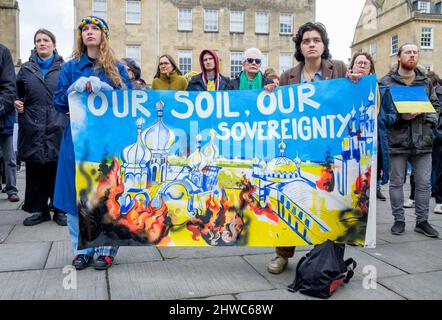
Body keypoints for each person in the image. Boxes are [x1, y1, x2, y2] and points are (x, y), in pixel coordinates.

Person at [267, 22, 348, 275]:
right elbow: (277, 113)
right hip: (298, 147)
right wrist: (270, 93)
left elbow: (352, 102)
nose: (311, 44)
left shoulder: (340, 69)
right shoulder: (288, 76)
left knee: (330, 200)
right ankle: (283, 254)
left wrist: (356, 83)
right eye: (306, 41)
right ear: (300, 47)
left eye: (316, 40)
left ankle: (324, 257)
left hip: (329, 149)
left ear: (324, 45)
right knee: (288, 197)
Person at [53, 16, 132, 270]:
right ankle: (82, 249)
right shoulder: (70, 67)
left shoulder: (116, 68)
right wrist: (72, 90)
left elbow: (130, 101)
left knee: (106, 194)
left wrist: (110, 91)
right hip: (76, 140)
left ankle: (106, 248)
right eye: (85, 29)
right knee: (76, 196)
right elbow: (57, 102)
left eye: (94, 29)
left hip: (107, 141)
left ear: (103, 35)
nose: (89, 33)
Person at [380, 43, 440, 238]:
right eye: (408, 52)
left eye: (415, 52)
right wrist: (400, 117)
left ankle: (422, 221)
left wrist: (429, 123)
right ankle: (399, 220)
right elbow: (381, 111)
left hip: (422, 140)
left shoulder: (425, 81)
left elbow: (435, 104)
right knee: (397, 182)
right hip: (396, 141)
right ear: (399, 56)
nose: (412, 55)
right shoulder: (386, 82)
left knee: (423, 183)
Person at [15, 29, 67, 227]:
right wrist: (16, 101)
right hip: (33, 123)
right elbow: (17, 92)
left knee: (57, 166)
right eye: (38, 40)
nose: (42, 43)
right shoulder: (26, 69)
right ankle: (39, 210)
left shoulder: (64, 68)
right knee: (36, 166)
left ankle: (60, 209)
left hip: (57, 122)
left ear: (54, 44)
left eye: (46, 40)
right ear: (35, 44)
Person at [0, 43, 19, 203]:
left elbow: (9, 87)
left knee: (10, 158)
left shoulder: (3, 51)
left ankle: (11, 188)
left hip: (4, 117)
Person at [427, 71, 442, 214]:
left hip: (437, 136)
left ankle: (438, 198)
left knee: (437, 169)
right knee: (433, 169)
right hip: (430, 136)